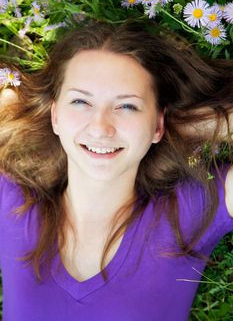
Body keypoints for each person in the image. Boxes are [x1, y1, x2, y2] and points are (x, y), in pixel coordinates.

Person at [0, 20, 232, 321]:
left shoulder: (188, 211)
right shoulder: (13, 204)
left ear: (159, 124)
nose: (101, 127)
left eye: (127, 107)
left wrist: (182, 128)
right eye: (81, 101)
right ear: (55, 116)